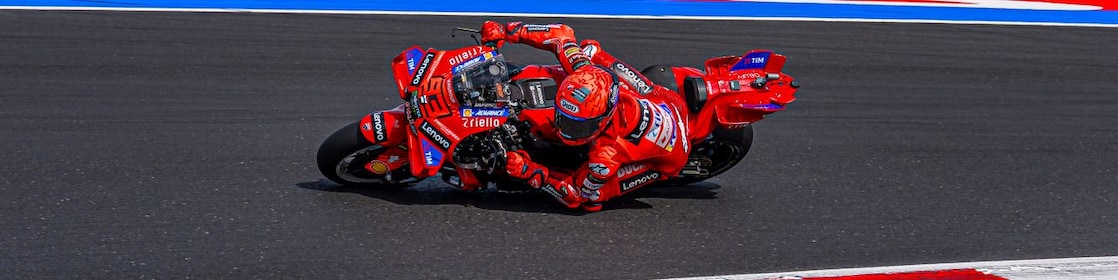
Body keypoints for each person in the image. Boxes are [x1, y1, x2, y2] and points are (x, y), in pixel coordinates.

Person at [481, 21, 692, 211]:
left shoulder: (605, 156)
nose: (565, 129)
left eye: (576, 126)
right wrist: (508, 31)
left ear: (602, 120)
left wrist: (530, 171)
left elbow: (578, 196)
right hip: (662, 99)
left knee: (595, 197)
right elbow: (561, 34)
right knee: (590, 49)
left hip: (672, 155)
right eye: (563, 118)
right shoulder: (584, 70)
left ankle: (658, 172)